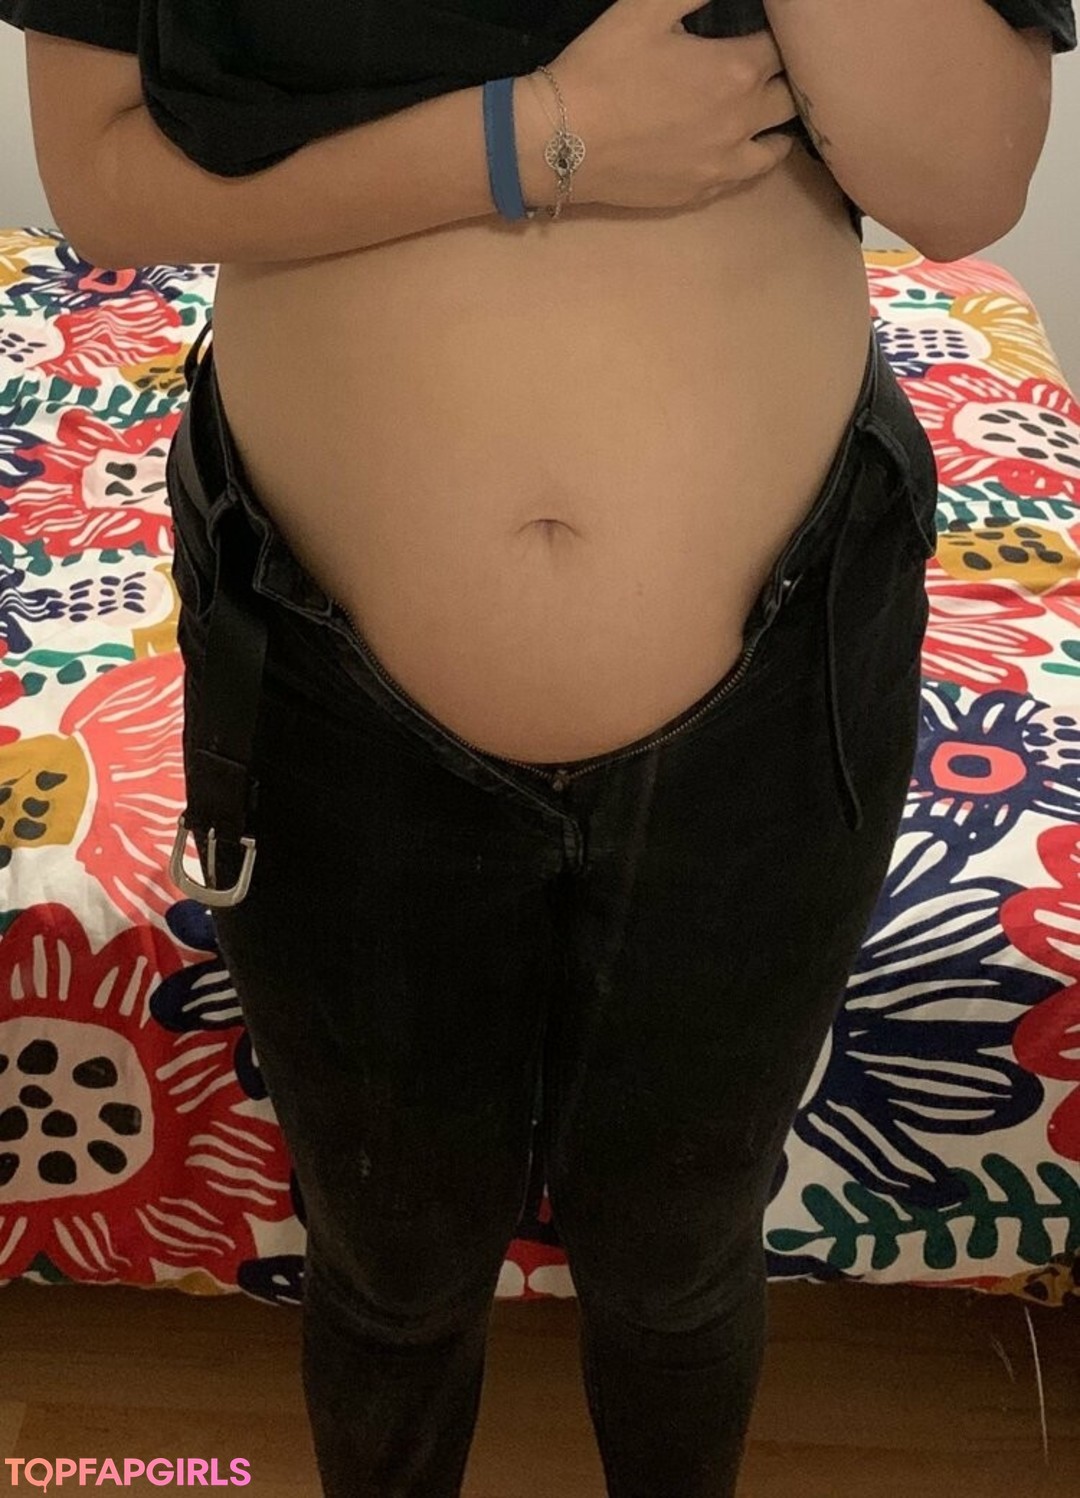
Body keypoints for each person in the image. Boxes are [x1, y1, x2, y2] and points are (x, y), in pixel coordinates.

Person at [4, 0, 1074, 1493]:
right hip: (316, 651)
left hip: (783, 655)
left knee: (682, 1255)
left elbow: (964, 185)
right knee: (389, 1262)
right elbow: (104, 176)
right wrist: (536, 142)